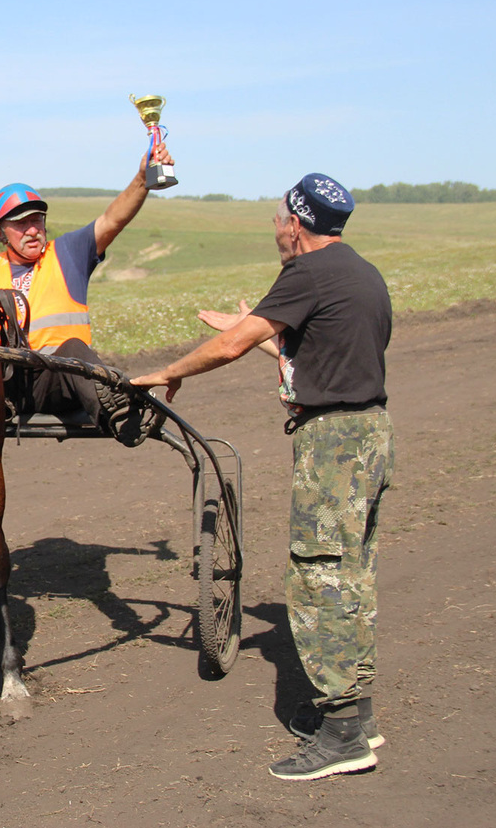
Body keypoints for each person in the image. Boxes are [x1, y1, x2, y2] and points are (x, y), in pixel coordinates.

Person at [130, 173, 394, 781]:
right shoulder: (363, 274)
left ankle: (344, 735)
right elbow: (323, 357)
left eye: (278, 218)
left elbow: (225, 351)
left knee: (318, 578)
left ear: (294, 224)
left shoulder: (306, 272)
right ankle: (359, 714)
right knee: (351, 575)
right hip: (371, 435)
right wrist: (254, 331)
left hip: (333, 443)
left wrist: (170, 370)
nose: (276, 228)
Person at [0, 141, 174, 446]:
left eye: (37, 220)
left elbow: (113, 220)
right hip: (6, 386)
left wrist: (142, 179)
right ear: (0, 232)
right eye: (20, 224)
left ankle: (118, 414)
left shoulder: (68, 253)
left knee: (73, 349)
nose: (32, 230)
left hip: (61, 380)